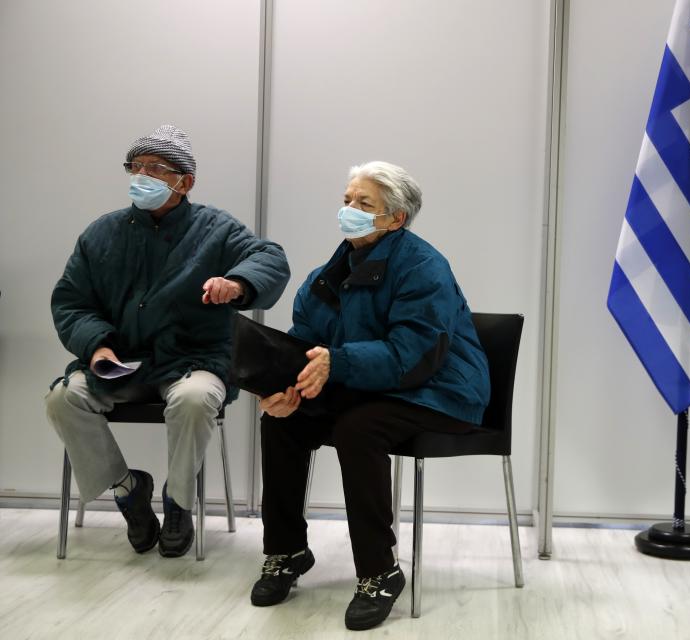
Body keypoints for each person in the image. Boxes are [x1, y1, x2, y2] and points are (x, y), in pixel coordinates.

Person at [250, 161, 490, 631]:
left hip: (440, 392)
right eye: (347, 201)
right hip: (372, 387)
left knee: (357, 429)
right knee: (284, 420)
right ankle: (286, 551)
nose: (350, 211)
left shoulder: (424, 267)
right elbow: (305, 345)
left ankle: (380, 572)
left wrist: (337, 364)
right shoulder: (329, 273)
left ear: (395, 219)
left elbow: (414, 354)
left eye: (365, 204)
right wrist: (285, 389)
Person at [46, 124, 291, 558]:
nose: (141, 176)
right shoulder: (102, 233)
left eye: (155, 168)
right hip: (120, 360)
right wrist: (96, 346)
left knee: (196, 399)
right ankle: (128, 490)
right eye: (135, 166)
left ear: (186, 181)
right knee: (63, 399)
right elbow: (70, 301)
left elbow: (270, 259)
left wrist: (236, 284)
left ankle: (178, 503)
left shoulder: (216, 229)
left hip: (193, 359)